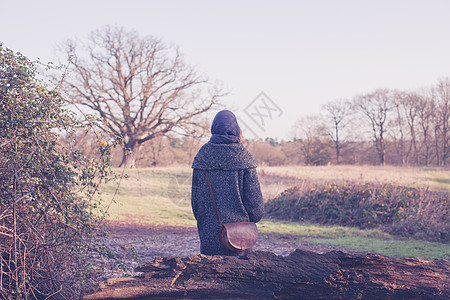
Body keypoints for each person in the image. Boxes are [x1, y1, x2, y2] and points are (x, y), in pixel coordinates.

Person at [191, 110, 264, 255]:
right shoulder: (244, 157)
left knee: (209, 273)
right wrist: (249, 219)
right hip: (240, 237)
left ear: (214, 128)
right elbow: (256, 207)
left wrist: (206, 222)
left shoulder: (202, 156)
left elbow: (196, 203)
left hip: (209, 234)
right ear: (235, 129)